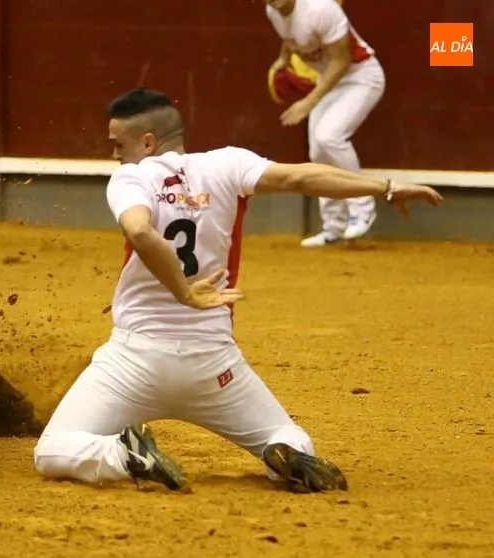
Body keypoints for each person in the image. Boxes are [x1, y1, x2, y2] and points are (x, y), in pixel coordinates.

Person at [32, 88, 443, 493]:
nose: (114, 155)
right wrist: (384, 187)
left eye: (118, 144)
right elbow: (302, 175)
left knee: (53, 450)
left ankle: (125, 457)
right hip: (215, 367)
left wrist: (184, 291)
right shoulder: (229, 163)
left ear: (148, 142)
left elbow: (139, 230)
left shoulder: (132, 176)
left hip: (134, 362)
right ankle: (284, 453)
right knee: (284, 435)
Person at [265, 0, 386, 247]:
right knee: (318, 151)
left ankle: (362, 206)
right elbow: (290, 38)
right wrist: (283, 59)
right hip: (328, 81)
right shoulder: (273, 12)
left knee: (329, 138)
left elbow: (342, 61)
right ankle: (334, 227)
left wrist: (309, 102)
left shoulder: (320, 9)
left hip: (361, 77)